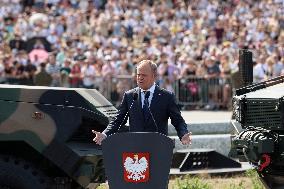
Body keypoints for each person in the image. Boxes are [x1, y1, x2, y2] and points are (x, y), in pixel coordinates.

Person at [93, 60, 192, 145]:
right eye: (138, 75)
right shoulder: (130, 95)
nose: (140, 78)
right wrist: (105, 134)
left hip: (158, 146)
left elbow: (177, 120)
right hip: (136, 147)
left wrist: (183, 134)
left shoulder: (166, 96)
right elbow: (118, 120)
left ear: (154, 76)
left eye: (144, 75)